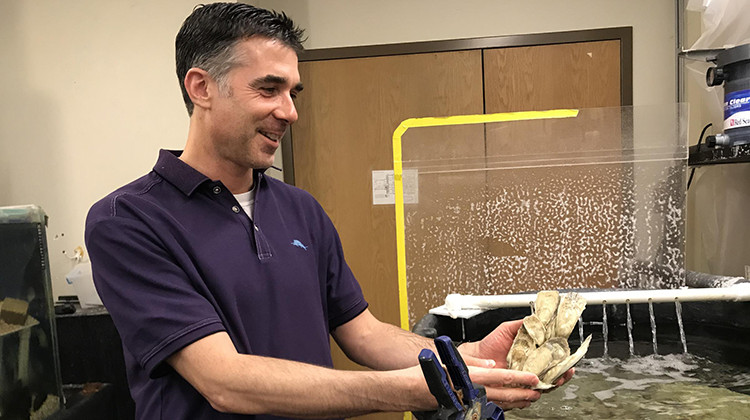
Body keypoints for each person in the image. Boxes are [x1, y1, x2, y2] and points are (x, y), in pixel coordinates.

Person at [85, 3, 572, 419]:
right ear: (201, 88)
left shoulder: (300, 209)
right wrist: (410, 389)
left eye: (293, 93)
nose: (290, 111)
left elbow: (363, 332)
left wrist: (462, 358)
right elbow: (225, 381)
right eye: (268, 89)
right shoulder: (128, 222)